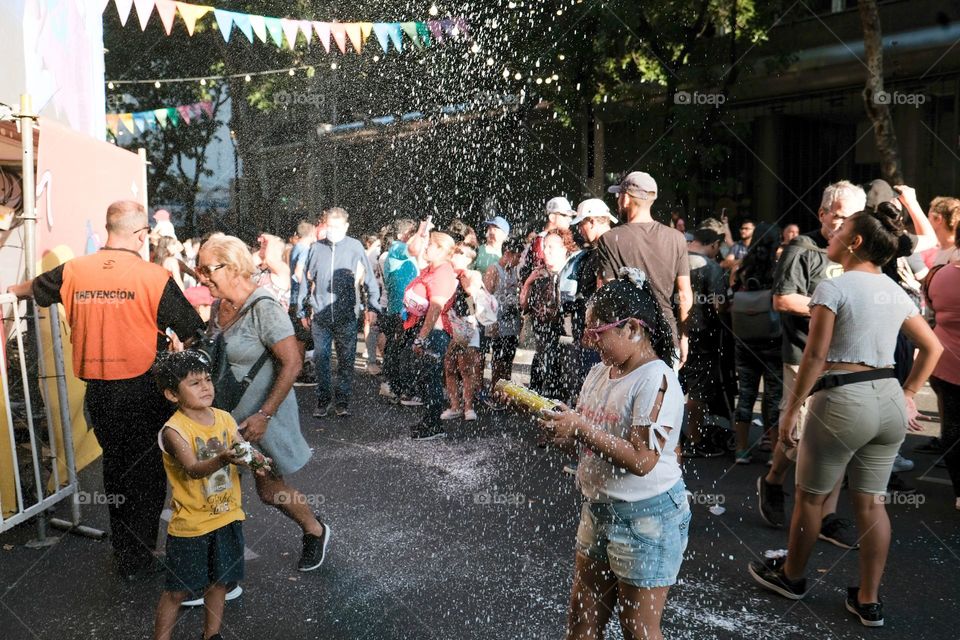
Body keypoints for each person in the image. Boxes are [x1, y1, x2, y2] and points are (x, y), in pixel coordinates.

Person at [748, 206, 942, 628]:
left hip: (842, 399)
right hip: (888, 398)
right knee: (873, 503)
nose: (831, 236)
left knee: (811, 498)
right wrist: (909, 394)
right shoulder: (893, 289)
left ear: (854, 244)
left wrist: (792, 409)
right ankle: (869, 601)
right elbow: (933, 349)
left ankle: (792, 577)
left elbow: (816, 356)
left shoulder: (831, 288)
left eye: (840, 232)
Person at [6, 200, 204, 579]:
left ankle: (125, 552)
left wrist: (11, 289)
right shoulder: (152, 277)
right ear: (142, 234)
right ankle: (140, 556)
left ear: (109, 228)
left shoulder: (74, 271)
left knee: (115, 469)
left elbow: (33, 288)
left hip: (100, 392)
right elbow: (193, 331)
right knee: (146, 473)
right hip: (145, 389)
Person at [539, 268, 690, 640]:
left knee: (637, 629)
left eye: (598, 333)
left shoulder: (657, 379)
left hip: (647, 519)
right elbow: (588, 435)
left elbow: (642, 460)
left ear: (634, 329)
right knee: (581, 619)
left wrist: (581, 428)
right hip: (599, 509)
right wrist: (563, 429)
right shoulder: (599, 373)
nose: (590, 342)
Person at [198, 234, 330, 571]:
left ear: (233, 266)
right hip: (225, 421)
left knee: (270, 490)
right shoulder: (220, 306)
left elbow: (292, 363)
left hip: (258, 423)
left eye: (207, 269)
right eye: (199, 269)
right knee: (218, 488)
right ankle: (220, 565)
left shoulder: (264, 306)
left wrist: (264, 415)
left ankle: (315, 529)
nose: (202, 277)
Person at [759, 180, 864, 544]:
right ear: (822, 214)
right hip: (802, 354)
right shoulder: (802, 249)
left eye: (852, 218)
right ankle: (773, 480)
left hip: (845, 357)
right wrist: (835, 309)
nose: (844, 224)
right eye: (838, 216)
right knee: (798, 433)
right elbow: (784, 300)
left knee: (837, 434)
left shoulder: (857, 252)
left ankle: (829, 513)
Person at [151, 351, 254, 640]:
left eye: (208, 379)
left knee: (219, 582)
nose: (206, 387)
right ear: (172, 394)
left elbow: (242, 450)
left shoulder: (224, 418)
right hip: (192, 526)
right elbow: (194, 469)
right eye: (195, 383)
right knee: (177, 590)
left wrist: (255, 461)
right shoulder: (174, 430)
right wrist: (225, 458)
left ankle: (212, 635)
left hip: (227, 516)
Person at [597, 171, 693, 366]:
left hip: (625, 337)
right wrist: (684, 337)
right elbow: (684, 295)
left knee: (625, 396)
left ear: (625, 199)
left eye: (619, 196)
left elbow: (607, 292)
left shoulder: (609, 239)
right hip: (666, 335)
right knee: (662, 393)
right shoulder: (676, 238)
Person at [297, 208, 380, 418]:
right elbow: (306, 281)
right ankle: (323, 401)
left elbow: (369, 279)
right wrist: (303, 309)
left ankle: (342, 402)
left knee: (346, 360)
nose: (332, 231)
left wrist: (373, 307)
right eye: (329, 226)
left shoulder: (354, 247)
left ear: (346, 226)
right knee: (321, 358)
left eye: (337, 226)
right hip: (321, 315)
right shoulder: (316, 248)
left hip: (346, 315)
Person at [730, 224, 784, 464]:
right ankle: (774, 450)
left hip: (744, 339)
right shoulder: (779, 270)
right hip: (773, 339)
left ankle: (741, 449)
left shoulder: (741, 268)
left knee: (746, 394)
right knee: (773, 397)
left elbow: (727, 297)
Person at [404, 231, 460, 440]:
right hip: (425, 330)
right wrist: (421, 231)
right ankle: (429, 419)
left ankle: (434, 424)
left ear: (441, 250)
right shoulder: (431, 268)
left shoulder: (442, 272)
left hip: (435, 332)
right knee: (426, 377)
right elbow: (413, 249)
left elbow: (435, 308)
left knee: (431, 378)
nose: (425, 248)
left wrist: (422, 337)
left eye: (430, 245)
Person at [678, 227, 727, 458]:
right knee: (698, 388)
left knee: (675, 385)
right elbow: (720, 305)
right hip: (702, 333)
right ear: (714, 244)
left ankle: (672, 438)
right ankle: (695, 441)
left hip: (673, 331)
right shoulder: (711, 267)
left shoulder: (674, 260)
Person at [521, 228, 579, 404]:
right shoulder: (539, 273)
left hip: (567, 336)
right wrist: (529, 282)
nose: (546, 251)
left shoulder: (573, 272)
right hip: (544, 337)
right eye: (545, 246)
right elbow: (523, 304)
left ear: (564, 249)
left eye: (551, 247)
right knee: (546, 375)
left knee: (568, 380)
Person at [923, 246, 960, 510]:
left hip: (944, 361)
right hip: (946, 362)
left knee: (952, 428)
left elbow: (932, 309)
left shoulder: (936, 274)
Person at [442, 243, 484, 422]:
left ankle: (468, 407)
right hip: (449, 323)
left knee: (466, 369)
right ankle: (455, 406)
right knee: (449, 367)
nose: (454, 256)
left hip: (466, 325)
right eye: (454, 252)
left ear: (469, 258)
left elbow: (471, 291)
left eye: (460, 253)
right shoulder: (447, 274)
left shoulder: (472, 274)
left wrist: (462, 274)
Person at [381, 219, 420, 403]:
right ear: (401, 235)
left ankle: (396, 388)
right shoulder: (397, 249)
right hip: (400, 311)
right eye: (411, 232)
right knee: (402, 351)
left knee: (398, 350)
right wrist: (422, 230)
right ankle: (402, 390)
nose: (414, 237)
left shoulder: (401, 252)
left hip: (404, 310)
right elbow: (414, 248)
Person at [482, 239, 524, 404]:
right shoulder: (494, 269)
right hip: (498, 323)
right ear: (508, 254)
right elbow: (485, 297)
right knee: (498, 360)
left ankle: (504, 393)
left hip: (511, 323)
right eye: (517, 256)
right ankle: (495, 393)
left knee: (509, 359)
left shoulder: (513, 270)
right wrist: (490, 323)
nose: (519, 260)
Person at [519, 196, 576, 282]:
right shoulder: (540, 240)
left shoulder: (551, 237)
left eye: (571, 216)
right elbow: (541, 272)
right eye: (565, 215)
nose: (570, 220)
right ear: (552, 217)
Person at [254, 233, 291, 308]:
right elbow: (249, 264)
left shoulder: (284, 270)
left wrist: (270, 239)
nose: (261, 250)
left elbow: (270, 259)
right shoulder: (264, 271)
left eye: (265, 248)